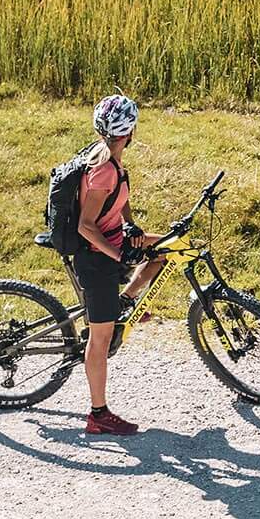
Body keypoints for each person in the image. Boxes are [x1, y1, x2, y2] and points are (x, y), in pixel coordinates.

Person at [69, 92, 165, 437]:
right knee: (101, 337)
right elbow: (85, 225)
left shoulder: (112, 159)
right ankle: (98, 414)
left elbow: (118, 201)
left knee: (164, 250)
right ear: (130, 131)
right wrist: (119, 254)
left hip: (110, 241)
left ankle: (124, 301)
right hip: (95, 256)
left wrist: (131, 225)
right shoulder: (104, 170)